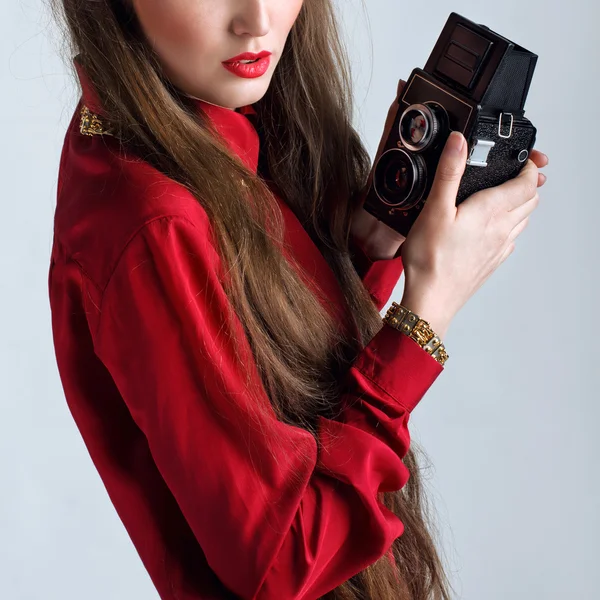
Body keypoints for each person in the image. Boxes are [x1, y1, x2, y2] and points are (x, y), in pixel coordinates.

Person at [47, 1, 548, 599]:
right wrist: (427, 313)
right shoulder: (152, 222)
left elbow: (268, 374)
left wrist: (376, 239)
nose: (257, 20)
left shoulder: (178, 122)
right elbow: (284, 562)